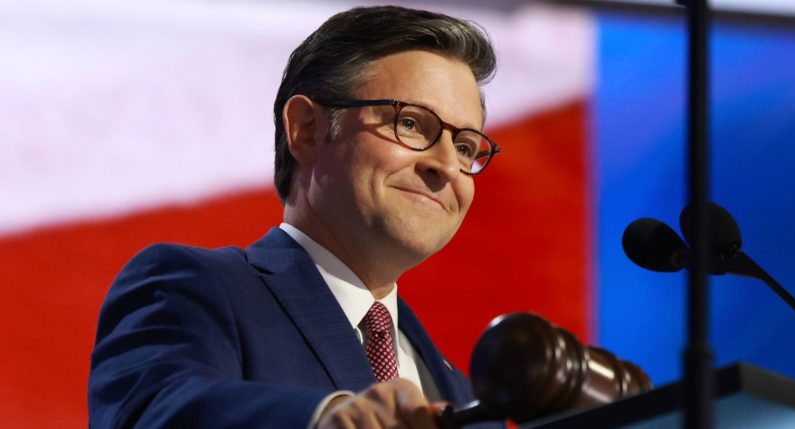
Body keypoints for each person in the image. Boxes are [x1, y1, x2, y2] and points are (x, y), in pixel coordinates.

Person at [89, 5, 503, 428]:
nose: (448, 166)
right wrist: (325, 419)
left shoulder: (468, 399)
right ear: (306, 129)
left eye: (467, 148)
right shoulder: (196, 290)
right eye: (412, 124)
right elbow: (155, 412)